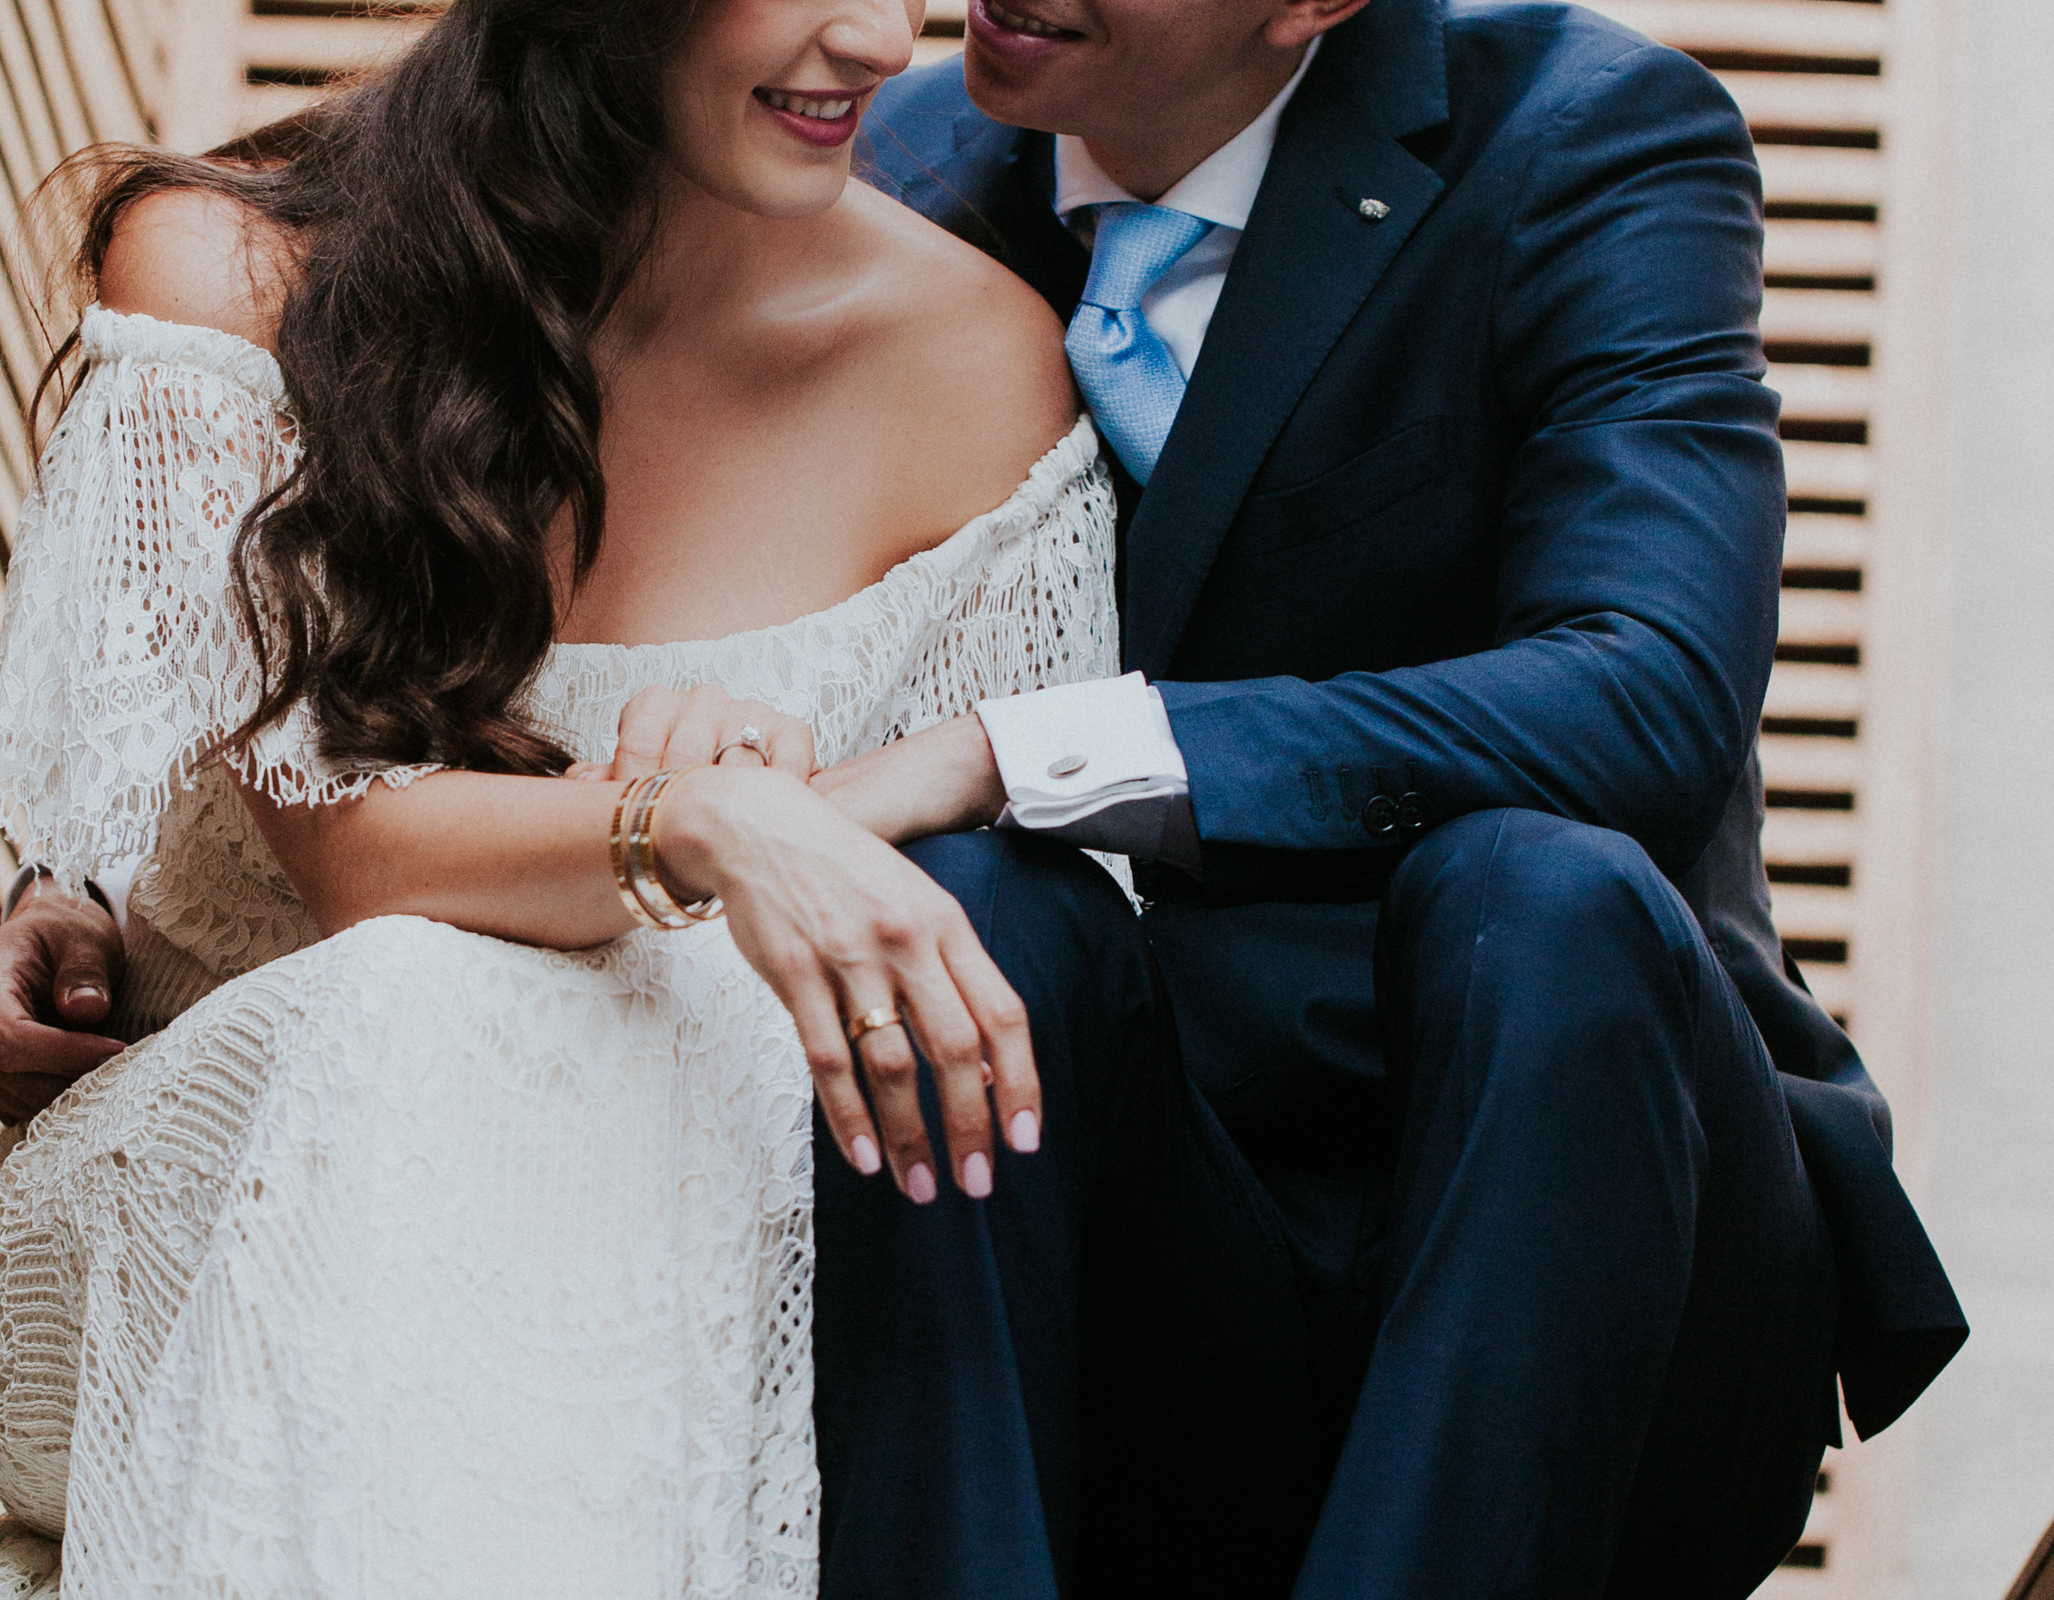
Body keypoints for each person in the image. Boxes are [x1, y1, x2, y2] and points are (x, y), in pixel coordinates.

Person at [0, 0, 1296, 1595]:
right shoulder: (229, 266)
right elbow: (348, 850)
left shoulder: (980, 373)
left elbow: (971, 969)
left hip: (672, 1262)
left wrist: (786, 791)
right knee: (418, 998)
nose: (868, 39)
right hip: (190, 1219)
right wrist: (703, 821)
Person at [809, 0, 1972, 1593]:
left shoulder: (1590, 136)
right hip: (1156, 1232)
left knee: (1546, 890)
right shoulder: (883, 162)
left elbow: (1645, 695)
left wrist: (1029, 748)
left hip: (1591, 1217)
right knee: (968, 908)